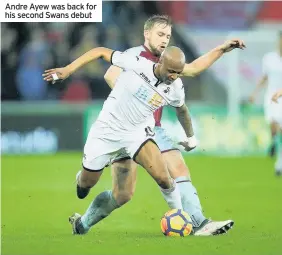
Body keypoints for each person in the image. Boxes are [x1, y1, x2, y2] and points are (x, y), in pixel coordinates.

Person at [43, 45, 211, 235]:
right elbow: (100, 51)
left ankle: (180, 218)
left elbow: (182, 110)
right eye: (171, 71)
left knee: (164, 177)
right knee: (85, 186)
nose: (173, 76)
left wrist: (191, 137)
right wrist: (68, 70)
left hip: (137, 134)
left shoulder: (175, 87)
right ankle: (81, 179)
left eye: (178, 73)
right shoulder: (137, 64)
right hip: (106, 132)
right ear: (160, 62)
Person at [103, 15, 245, 236]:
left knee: (178, 168)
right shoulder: (134, 56)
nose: (164, 40)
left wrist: (222, 49)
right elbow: (110, 74)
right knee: (122, 195)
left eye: (168, 36)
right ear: (146, 34)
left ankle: (199, 223)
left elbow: (193, 68)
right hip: (127, 127)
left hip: (153, 130)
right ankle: (83, 222)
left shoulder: (167, 61)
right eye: (160, 34)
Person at [250, 32, 282, 175]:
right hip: (271, 97)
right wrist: (254, 93)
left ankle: (279, 163)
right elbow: (264, 77)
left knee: (280, 129)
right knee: (273, 125)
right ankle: (274, 142)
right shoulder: (269, 58)